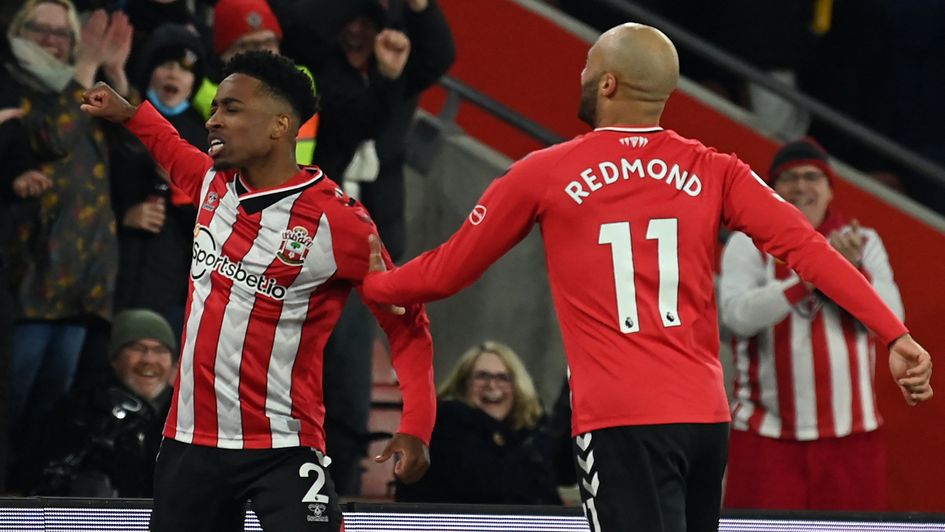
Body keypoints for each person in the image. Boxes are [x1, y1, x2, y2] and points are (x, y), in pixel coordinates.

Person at [360, 23, 934, 532]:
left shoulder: (543, 173)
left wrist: (374, 283)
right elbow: (811, 249)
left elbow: (446, 270)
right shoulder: (716, 169)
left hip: (620, 422)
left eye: (588, 66)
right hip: (705, 423)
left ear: (607, 84)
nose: (581, 75)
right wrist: (895, 334)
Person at [80, 50, 435, 531]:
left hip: (283, 447)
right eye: (213, 109)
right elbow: (169, 146)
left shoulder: (341, 223)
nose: (213, 121)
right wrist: (129, 112)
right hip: (190, 442)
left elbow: (407, 324)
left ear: (279, 125)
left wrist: (416, 425)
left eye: (231, 109)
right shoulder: (212, 185)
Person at [719, 139, 904, 510]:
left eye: (811, 177)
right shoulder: (747, 243)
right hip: (766, 436)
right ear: (772, 190)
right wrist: (809, 278)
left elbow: (892, 321)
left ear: (831, 188)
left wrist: (850, 270)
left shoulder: (864, 243)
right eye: (788, 179)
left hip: (851, 437)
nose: (801, 187)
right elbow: (737, 318)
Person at [1, 1, 131, 490]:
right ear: (18, 30)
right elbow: (53, 138)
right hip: (31, 275)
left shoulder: (90, 85)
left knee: (53, 417)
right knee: (13, 403)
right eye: (41, 28)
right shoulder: (15, 82)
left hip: (86, 279)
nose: (52, 39)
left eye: (63, 32)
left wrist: (116, 73)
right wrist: (84, 70)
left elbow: (138, 150)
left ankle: (36, 504)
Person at [111, 23, 207, 338]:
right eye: (165, 64)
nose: (173, 75)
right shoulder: (122, 117)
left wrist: (182, 189)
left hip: (171, 278)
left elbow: (216, 219)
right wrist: (125, 215)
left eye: (184, 69)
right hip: (117, 269)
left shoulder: (204, 135)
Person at [396, 341, 561, 505]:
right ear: (462, 385)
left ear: (517, 387)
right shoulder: (444, 424)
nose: (492, 385)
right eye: (482, 376)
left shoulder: (527, 433)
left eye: (503, 378)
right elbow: (492, 489)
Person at [34, 309, 176, 497]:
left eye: (160, 351)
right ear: (114, 358)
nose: (149, 360)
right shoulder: (79, 409)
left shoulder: (190, 417)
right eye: (137, 348)